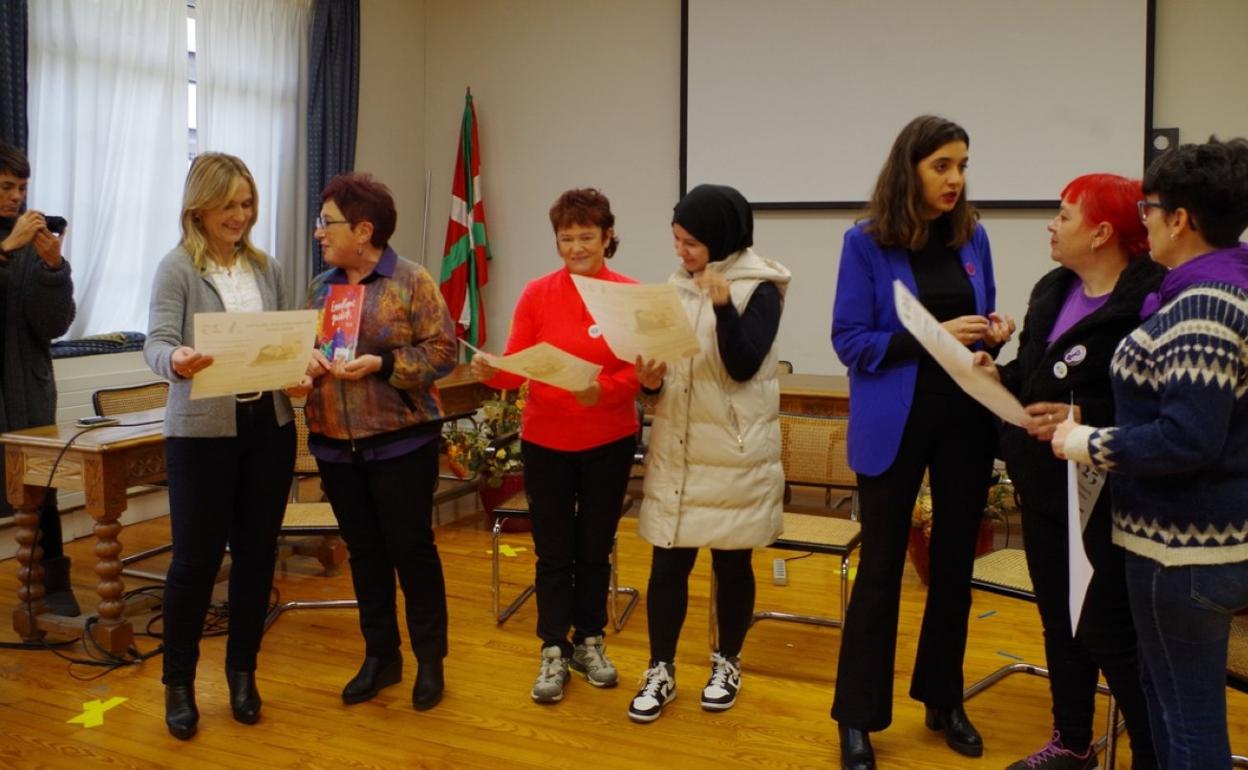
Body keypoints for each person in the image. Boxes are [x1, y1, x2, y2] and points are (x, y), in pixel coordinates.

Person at [1053, 137, 1248, 769]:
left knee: (1187, 728)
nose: (1147, 223)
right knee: (1166, 709)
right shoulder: (1214, 290)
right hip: (1184, 547)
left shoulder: (1203, 307)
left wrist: (1086, 442)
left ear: (1180, 219)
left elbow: (1187, 438)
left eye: (1151, 209)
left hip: (1183, 552)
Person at [829, 115, 1014, 770]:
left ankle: (944, 698)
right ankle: (857, 718)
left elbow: (978, 329)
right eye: (942, 165)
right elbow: (851, 342)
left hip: (965, 421)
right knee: (880, 571)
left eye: (962, 165)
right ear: (909, 168)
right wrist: (930, 337)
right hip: (894, 424)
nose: (955, 178)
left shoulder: (974, 236)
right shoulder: (865, 243)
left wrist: (993, 335)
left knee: (954, 569)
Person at [975, 174, 1162, 770]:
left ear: (1102, 232)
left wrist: (1086, 417)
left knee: (1109, 633)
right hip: (1043, 489)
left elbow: (1157, 407)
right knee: (1060, 622)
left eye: (1063, 216)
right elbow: (1033, 379)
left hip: (1108, 498)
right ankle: (1072, 744)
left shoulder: (1150, 301)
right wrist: (995, 374)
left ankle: (1153, 755)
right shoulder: (1053, 289)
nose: (1051, 226)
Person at [145, 152, 297, 740]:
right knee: (196, 560)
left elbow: (282, 341)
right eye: (228, 204)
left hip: (269, 427)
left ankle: (242, 673)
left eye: (247, 203)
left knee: (257, 555)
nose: (240, 215)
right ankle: (178, 684)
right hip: (202, 433)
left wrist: (298, 370)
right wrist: (176, 360)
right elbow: (157, 342)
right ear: (199, 207)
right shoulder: (177, 268)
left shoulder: (266, 267)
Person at [293, 172, 458, 713]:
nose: (319, 232)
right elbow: (308, 352)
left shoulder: (411, 281)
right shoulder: (321, 289)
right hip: (335, 445)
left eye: (328, 222)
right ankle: (380, 657)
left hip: (401, 443)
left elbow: (444, 353)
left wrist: (382, 364)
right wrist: (305, 366)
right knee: (364, 555)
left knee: (411, 550)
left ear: (363, 230)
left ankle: (430, 660)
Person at [469, 188, 641, 703]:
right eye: (566, 238)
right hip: (546, 441)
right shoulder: (537, 293)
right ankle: (551, 648)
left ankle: (589, 641)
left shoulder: (627, 294)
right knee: (553, 551)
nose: (576, 247)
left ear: (608, 237)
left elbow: (640, 372)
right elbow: (515, 370)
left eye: (586, 236)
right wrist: (490, 369)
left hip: (608, 440)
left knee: (594, 546)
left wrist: (600, 390)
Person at [629, 183, 791, 724]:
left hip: (732, 453)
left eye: (691, 243)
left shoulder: (761, 286)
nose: (681, 251)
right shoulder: (675, 286)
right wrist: (649, 383)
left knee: (731, 559)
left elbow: (742, 366)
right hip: (678, 447)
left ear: (721, 239)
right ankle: (660, 668)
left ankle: (727, 662)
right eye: (676, 240)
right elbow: (667, 376)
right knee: (667, 562)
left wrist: (722, 306)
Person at [0, 142, 77, 617]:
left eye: (22, 188)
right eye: (7, 187)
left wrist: (53, 269)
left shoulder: (35, 243)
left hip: (26, 388)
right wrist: (5, 250)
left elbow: (53, 324)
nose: (16, 197)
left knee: (40, 489)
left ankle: (54, 587)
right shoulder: (15, 243)